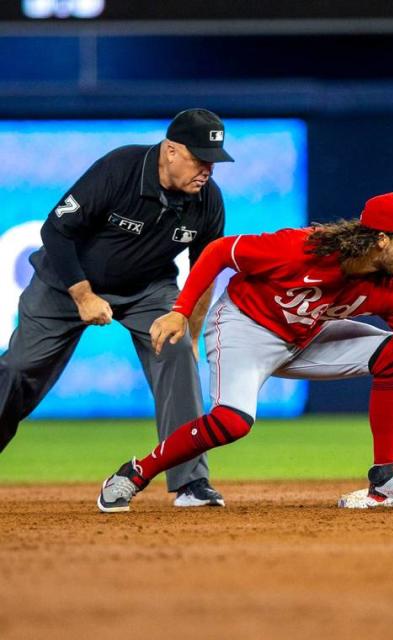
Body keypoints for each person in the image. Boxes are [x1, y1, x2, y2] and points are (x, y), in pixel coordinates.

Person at [96, 192, 393, 512]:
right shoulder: (300, 249)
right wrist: (182, 312)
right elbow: (219, 252)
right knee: (233, 422)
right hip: (245, 327)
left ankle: (385, 478)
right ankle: (137, 472)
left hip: (305, 335)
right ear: (381, 239)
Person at [0, 108, 233, 508]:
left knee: (177, 353)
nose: (207, 170)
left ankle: (191, 483)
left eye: (213, 161)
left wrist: (190, 333)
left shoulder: (207, 201)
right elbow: (55, 229)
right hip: (63, 285)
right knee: (19, 370)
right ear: (171, 151)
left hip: (148, 290)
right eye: (198, 158)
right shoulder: (120, 169)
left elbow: (205, 270)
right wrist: (84, 295)